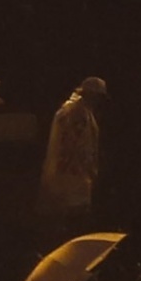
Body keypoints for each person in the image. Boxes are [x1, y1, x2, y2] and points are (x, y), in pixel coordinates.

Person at [40, 79, 104, 223]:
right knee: (73, 215)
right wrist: (90, 169)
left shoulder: (71, 110)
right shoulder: (77, 112)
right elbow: (80, 145)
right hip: (73, 174)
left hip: (65, 172)